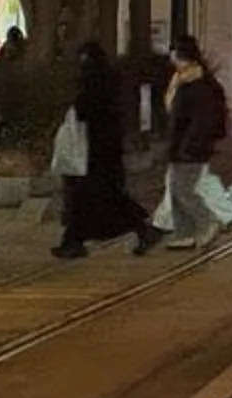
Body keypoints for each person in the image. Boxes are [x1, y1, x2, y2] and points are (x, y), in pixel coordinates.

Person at [54, 41, 162, 259]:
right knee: (97, 198)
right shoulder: (111, 84)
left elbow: (85, 112)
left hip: (93, 154)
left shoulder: (93, 86)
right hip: (102, 152)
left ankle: (75, 241)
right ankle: (74, 240)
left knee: (96, 198)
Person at [161, 34, 232, 244]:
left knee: (183, 190)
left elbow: (200, 119)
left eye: (173, 52)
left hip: (191, 146)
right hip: (181, 143)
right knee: (176, 189)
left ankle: (207, 221)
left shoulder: (197, 84)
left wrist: (189, 144)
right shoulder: (182, 80)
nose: (170, 56)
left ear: (179, 54)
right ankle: (185, 234)